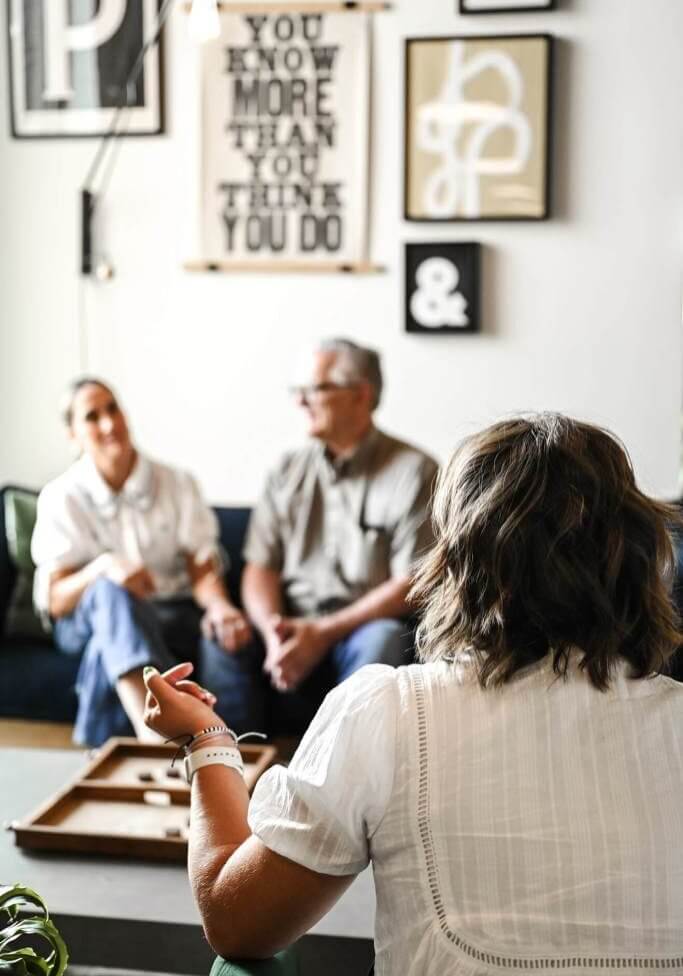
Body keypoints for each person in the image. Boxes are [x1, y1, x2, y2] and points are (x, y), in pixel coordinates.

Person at [144, 413, 683, 973]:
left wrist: (206, 739)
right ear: (638, 558)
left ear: (457, 561)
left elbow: (235, 924)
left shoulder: (390, 712)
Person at [31, 377, 258, 746]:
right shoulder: (60, 497)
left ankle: (228, 750)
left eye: (112, 408)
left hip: (170, 614)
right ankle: (154, 734)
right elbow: (56, 600)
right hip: (85, 620)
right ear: (72, 434)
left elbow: (202, 570)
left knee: (110, 648)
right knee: (109, 594)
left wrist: (220, 607)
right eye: (92, 416)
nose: (108, 424)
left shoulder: (177, 483)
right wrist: (104, 567)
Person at [234, 337, 439, 732]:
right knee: (225, 639)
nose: (301, 402)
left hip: (362, 628)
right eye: (298, 391)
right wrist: (273, 632)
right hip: (289, 625)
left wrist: (324, 634)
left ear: (361, 394)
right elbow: (259, 568)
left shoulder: (415, 471)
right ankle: (229, 768)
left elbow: (411, 583)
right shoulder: (285, 470)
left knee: (384, 639)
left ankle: (342, 779)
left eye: (315, 389)